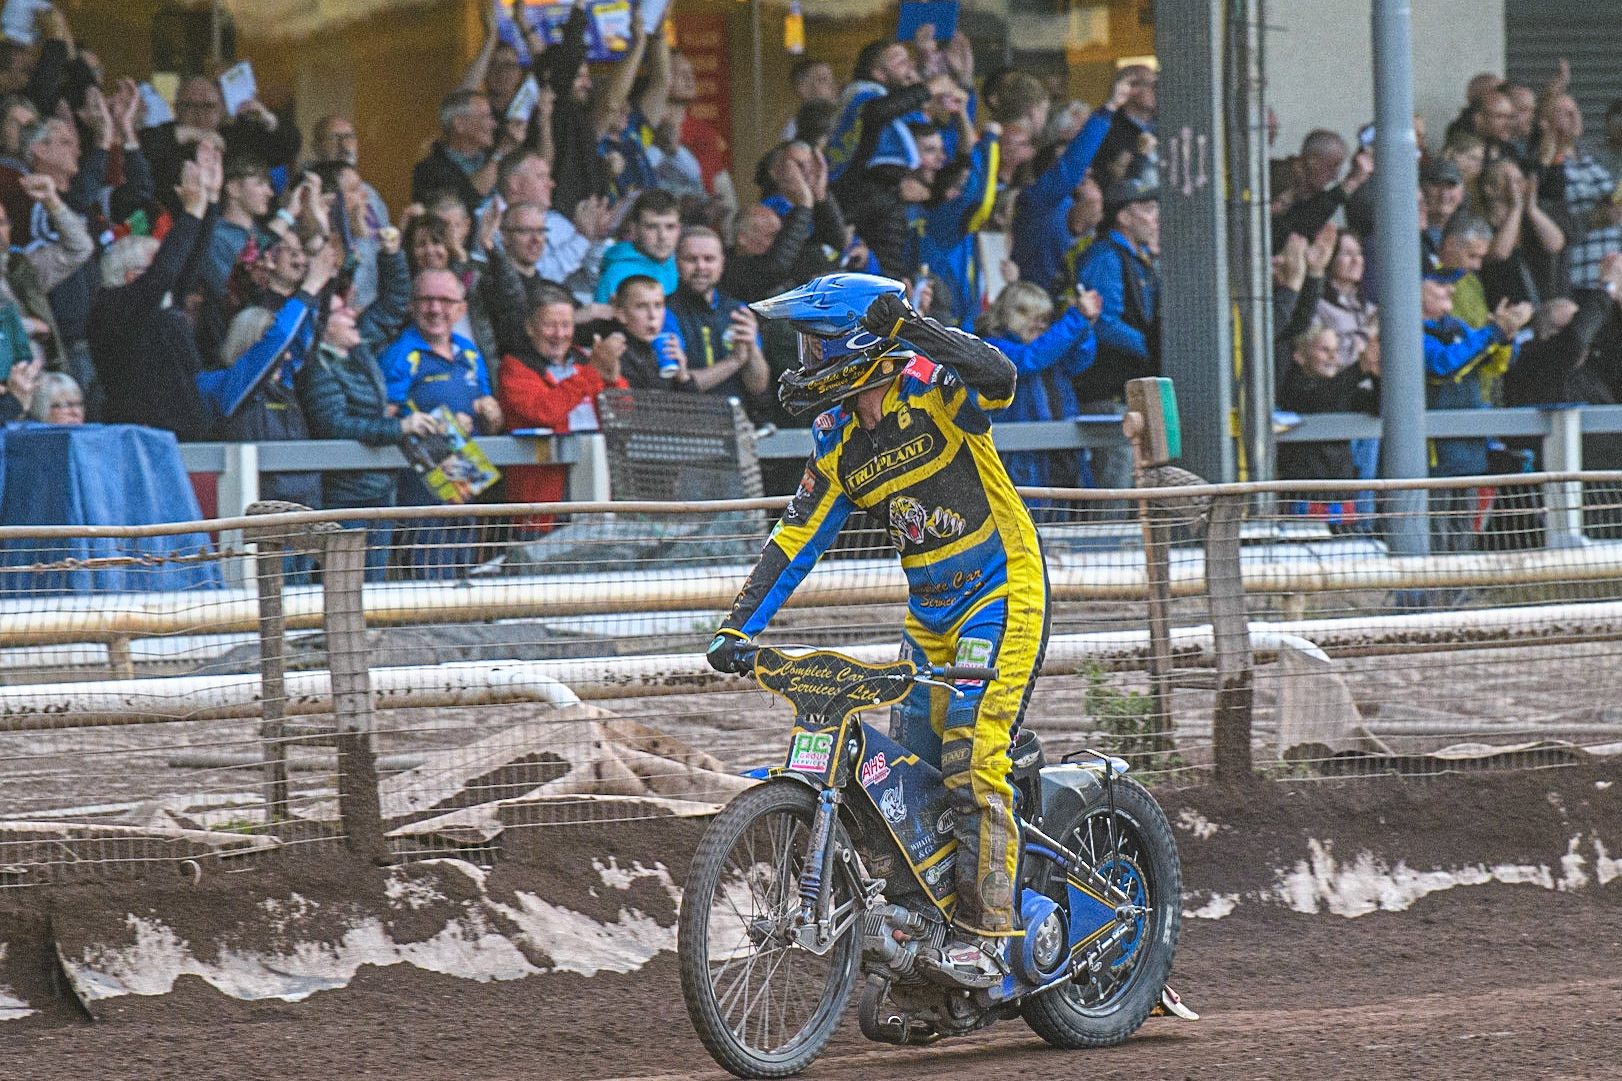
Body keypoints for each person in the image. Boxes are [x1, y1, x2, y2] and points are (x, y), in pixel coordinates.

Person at [705, 273, 1043, 988]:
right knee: (910, 782)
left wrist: (914, 328)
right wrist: (738, 626)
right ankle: (929, 958)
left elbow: (1002, 373)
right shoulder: (835, 436)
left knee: (972, 754)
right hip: (929, 616)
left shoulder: (934, 387)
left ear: (860, 346)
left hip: (1000, 589)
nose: (804, 361)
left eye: (815, 346)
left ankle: (988, 938)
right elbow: (795, 537)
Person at [497, 282, 629, 523]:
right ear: (530, 327)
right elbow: (543, 411)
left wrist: (613, 380)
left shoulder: (584, 361)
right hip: (541, 507)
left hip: (596, 495)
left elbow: (624, 416)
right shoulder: (515, 367)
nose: (559, 335)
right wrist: (592, 373)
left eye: (566, 325)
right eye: (550, 325)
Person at [1423, 266, 1533, 551]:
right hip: (1434, 460)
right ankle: (1430, 596)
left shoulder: (1456, 327)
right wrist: (1493, 331)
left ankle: (1459, 596)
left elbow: (1497, 365)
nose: (1451, 289)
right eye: (1441, 283)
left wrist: (1506, 335)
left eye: (1452, 284)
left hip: (1470, 452)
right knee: (1436, 539)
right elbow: (1444, 364)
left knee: (1463, 536)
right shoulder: (1408, 332)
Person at [1073, 174, 1160, 494]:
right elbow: (1104, 323)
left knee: (1133, 469)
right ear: (1123, 217)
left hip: (1129, 389)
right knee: (1118, 469)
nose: (1156, 217)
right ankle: (1102, 543)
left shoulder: (1142, 260)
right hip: (1106, 390)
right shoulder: (1105, 258)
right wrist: (1154, 349)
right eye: (1148, 208)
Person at [979, 281, 1101, 490]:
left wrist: (1085, 325)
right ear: (1006, 314)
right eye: (1030, 316)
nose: (1040, 325)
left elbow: (1081, 358)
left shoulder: (1050, 348)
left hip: (1063, 453)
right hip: (1019, 460)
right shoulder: (993, 348)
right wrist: (1076, 319)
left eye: (1044, 318)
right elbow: (1030, 359)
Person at [1276, 324, 1380, 530]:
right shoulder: (1292, 388)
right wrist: (1360, 367)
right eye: (1324, 350)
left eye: (1336, 350)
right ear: (1299, 355)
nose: (1333, 357)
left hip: (1342, 500)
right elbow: (1320, 399)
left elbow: (1377, 406)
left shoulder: (1343, 390)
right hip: (1305, 502)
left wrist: (1376, 373)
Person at [665, 227, 769, 401]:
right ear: (676, 263)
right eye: (691, 259)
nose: (700, 267)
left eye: (709, 259)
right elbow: (677, 384)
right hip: (686, 418)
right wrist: (734, 361)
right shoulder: (663, 311)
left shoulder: (738, 310)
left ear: (721, 263)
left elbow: (758, 386)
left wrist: (752, 350)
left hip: (736, 417)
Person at [411, 90, 503, 219]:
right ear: (459, 125)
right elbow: (466, 200)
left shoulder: (489, 159)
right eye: (485, 117)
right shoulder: (430, 170)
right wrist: (501, 153)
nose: (494, 124)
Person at [577, 274, 679, 389]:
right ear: (621, 315)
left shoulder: (656, 350)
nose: (652, 315)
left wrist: (683, 377)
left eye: (658, 305)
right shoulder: (616, 353)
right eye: (641, 306)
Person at [595, 188, 682, 302]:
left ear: (679, 229)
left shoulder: (682, 267)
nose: (662, 236)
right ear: (634, 229)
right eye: (652, 227)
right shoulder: (617, 274)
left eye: (670, 227)